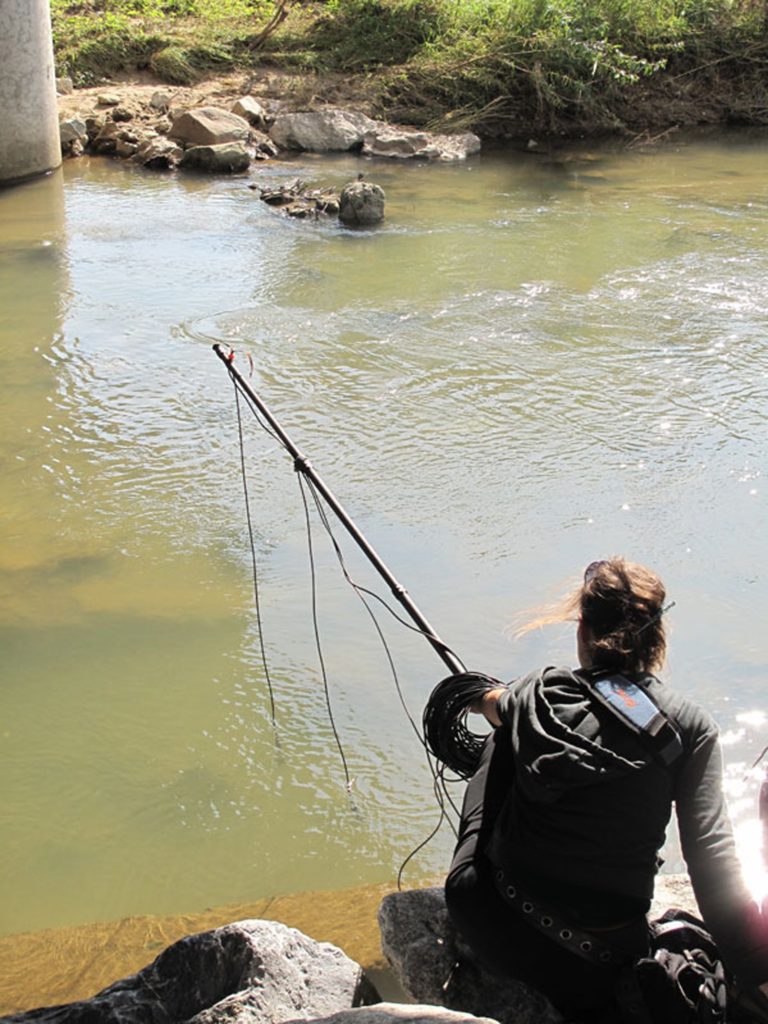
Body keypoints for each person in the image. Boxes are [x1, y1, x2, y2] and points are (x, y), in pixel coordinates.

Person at [444, 556, 768, 1020]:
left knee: (505, 734)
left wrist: (480, 697)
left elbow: (491, 704)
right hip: (599, 963)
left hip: (494, 925)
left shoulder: (539, 692)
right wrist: (757, 971)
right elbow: (712, 855)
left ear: (582, 628)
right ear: (658, 637)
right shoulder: (691, 727)